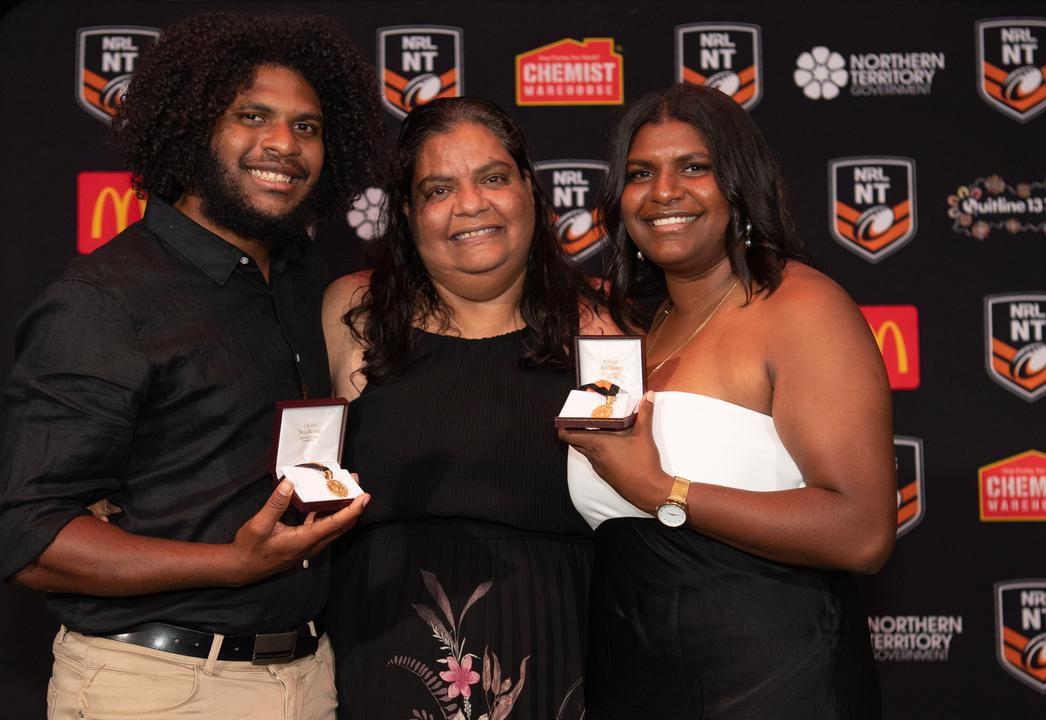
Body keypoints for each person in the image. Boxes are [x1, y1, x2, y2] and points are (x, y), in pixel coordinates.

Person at [0, 11, 386, 719]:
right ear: (192, 127)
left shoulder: (303, 278)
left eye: (307, 126)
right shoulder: (106, 300)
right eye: (252, 115)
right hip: (155, 684)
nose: (283, 144)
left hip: (307, 676)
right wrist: (231, 563)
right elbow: (28, 538)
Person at [560, 83, 897, 718]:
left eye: (694, 167)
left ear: (741, 185)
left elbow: (862, 531)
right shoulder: (628, 332)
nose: (664, 191)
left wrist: (663, 489)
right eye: (640, 173)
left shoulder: (801, 308)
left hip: (775, 683)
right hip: (634, 683)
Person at [322, 97, 613, 720]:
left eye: (493, 178)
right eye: (438, 188)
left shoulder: (600, 328)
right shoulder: (354, 314)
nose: (471, 204)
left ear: (529, 190)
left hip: (557, 660)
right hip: (378, 662)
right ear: (406, 212)